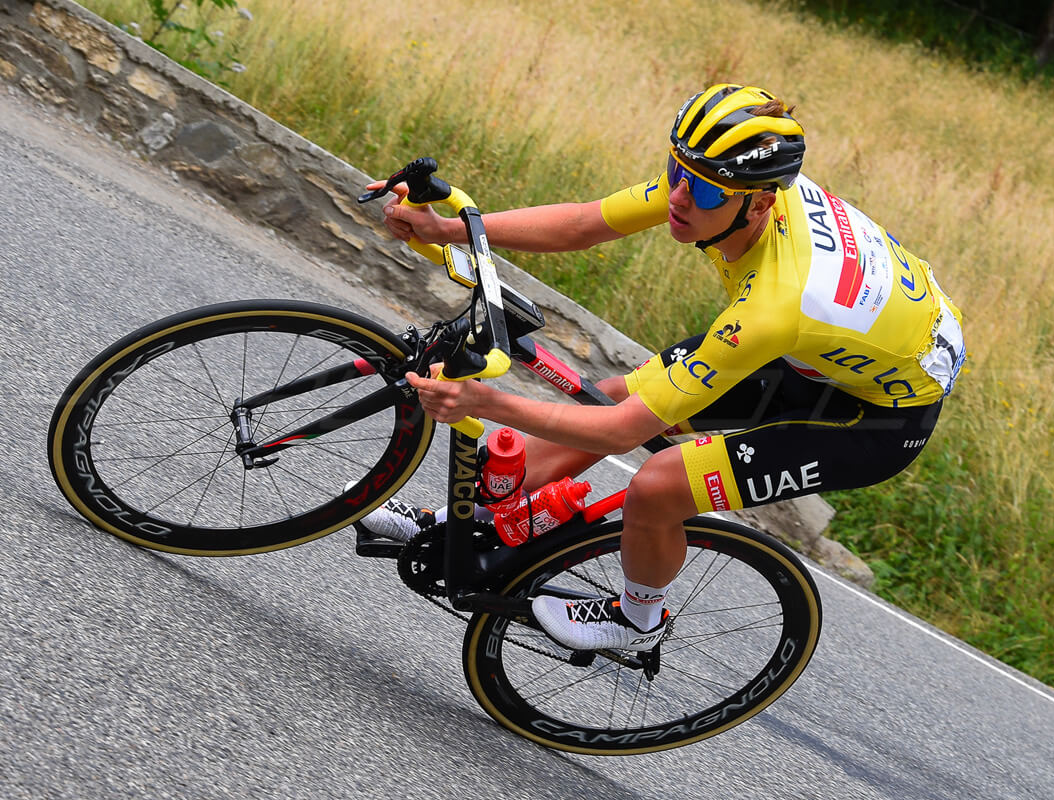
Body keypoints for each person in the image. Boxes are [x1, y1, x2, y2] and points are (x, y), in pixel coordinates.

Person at [361, 83, 965, 652]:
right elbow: (583, 223)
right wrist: (449, 229)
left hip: (876, 418)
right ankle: (460, 525)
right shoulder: (721, 178)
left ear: (758, 205)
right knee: (608, 394)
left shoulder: (776, 302)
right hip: (820, 356)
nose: (678, 196)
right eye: (677, 173)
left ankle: (638, 616)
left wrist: (487, 404)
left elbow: (622, 435)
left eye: (700, 192)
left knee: (657, 485)